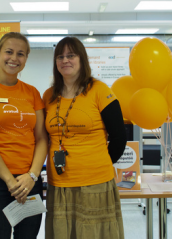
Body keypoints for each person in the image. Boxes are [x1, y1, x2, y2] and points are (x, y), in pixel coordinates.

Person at [43, 36, 127, 239]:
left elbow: (119, 137)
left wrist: (99, 165)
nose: (65, 60)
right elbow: (43, 138)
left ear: (82, 59)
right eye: (60, 56)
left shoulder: (99, 90)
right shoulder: (48, 96)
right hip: (60, 183)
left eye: (71, 55)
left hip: (95, 183)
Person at [0, 32, 48, 239]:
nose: (14, 58)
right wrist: (9, 180)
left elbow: (41, 139)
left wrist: (32, 176)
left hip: (29, 181)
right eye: (9, 52)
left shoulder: (32, 93)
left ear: (26, 59)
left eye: (20, 54)